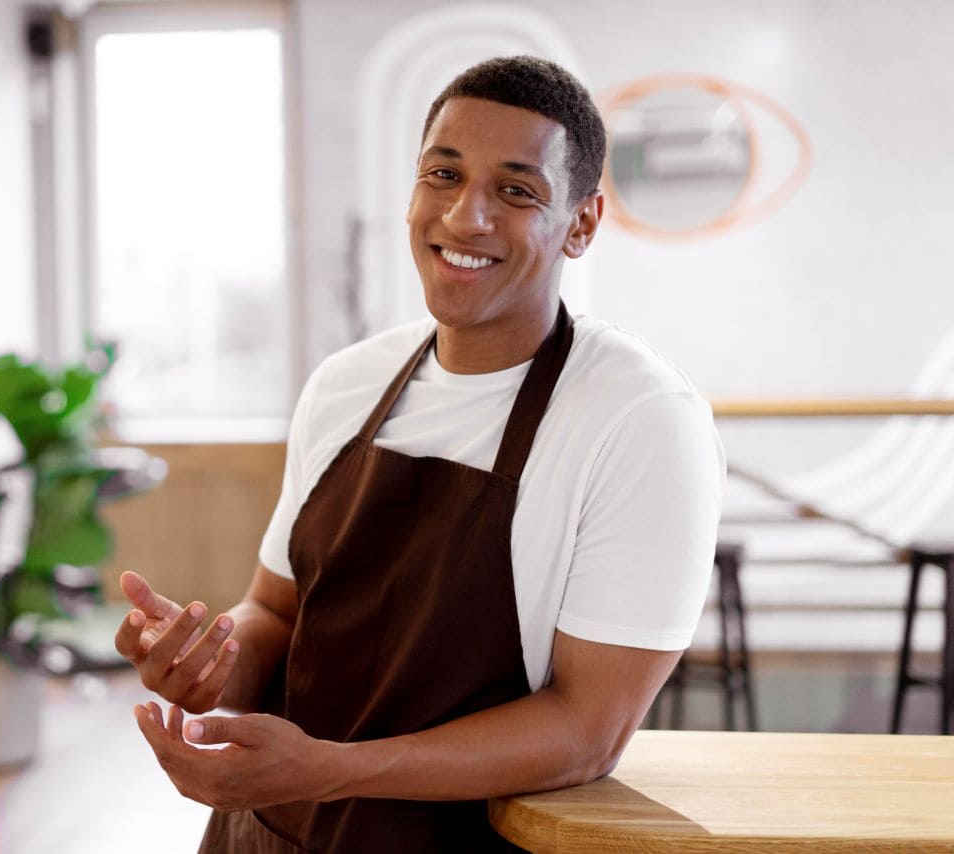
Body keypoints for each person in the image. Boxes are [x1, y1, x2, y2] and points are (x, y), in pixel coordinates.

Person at [115, 55, 725, 852]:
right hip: (268, 829)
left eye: (516, 190)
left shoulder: (638, 419)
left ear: (581, 223)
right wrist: (207, 664)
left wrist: (331, 768)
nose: (466, 217)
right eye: (443, 174)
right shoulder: (346, 384)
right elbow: (277, 613)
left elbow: (587, 732)